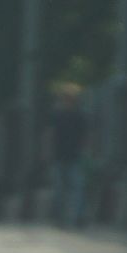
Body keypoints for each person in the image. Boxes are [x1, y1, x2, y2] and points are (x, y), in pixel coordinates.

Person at [46, 82, 89, 229]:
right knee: (60, 190)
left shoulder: (79, 115)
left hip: (74, 156)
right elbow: (50, 135)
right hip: (59, 156)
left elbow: (86, 136)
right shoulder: (57, 115)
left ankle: (77, 217)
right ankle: (60, 218)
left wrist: (87, 151)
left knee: (76, 188)